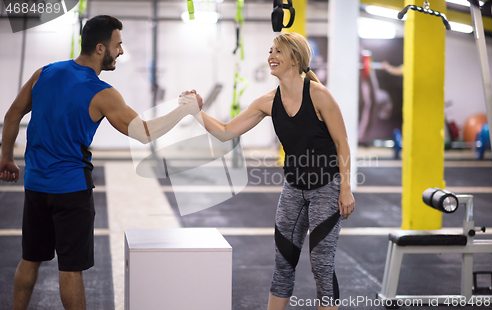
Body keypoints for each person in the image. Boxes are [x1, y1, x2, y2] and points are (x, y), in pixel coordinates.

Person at [0, 15, 200, 310]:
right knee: (70, 268)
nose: (120, 50)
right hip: (71, 191)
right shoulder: (102, 93)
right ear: (99, 48)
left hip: (36, 186)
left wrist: (6, 157)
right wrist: (184, 110)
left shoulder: (44, 73)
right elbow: (145, 133)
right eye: (117, 45)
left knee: (30, 259)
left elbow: (12, 115)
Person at [187, 32, 355, 310]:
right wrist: (196, 112)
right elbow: (227, 132)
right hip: (293, 189)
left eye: (278, 51)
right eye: (270, 51)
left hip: (327, 187)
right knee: (283, 262)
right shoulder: (267, 101)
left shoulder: (319, 96)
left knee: (321, 264)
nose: (271, 56)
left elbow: (342, 143)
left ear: (296, 59)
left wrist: (346, 188)